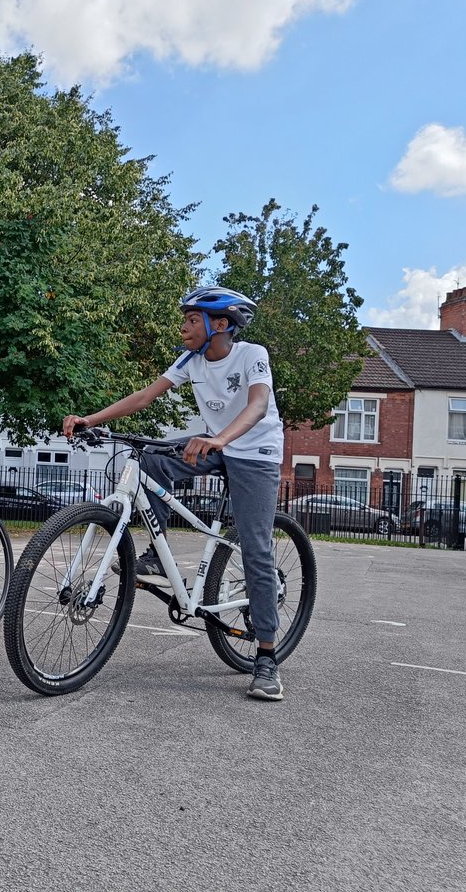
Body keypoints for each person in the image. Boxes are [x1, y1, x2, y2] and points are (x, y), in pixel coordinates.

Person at [62, 286, 287, 701]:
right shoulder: (190, 360)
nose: (183, 327)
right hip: (216, 444)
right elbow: (144, 397)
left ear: (221, 324)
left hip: (255, 453)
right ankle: (156, 556)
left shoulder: (251, 354)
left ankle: (267, 657)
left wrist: (220, 439)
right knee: (152, 459)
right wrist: (90, 419)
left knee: (256, 549)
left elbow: (257, 406)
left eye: (192, 320)